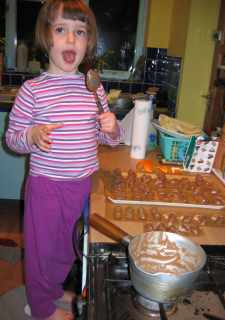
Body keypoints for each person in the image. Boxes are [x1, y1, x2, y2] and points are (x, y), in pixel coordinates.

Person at [5, 1, 124, 319]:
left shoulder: (94, 90)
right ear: (47, 38)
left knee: (69, 247)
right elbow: (12, 139)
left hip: (83, 185)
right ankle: (40, 307)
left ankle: (53, 289)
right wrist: (30, 136)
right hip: (47, 187)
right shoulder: (33, 91)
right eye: (61, 30)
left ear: (88, 41)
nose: (71, 40)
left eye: (80, 32)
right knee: (42, 250)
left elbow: (105, 138)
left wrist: (112, 128)